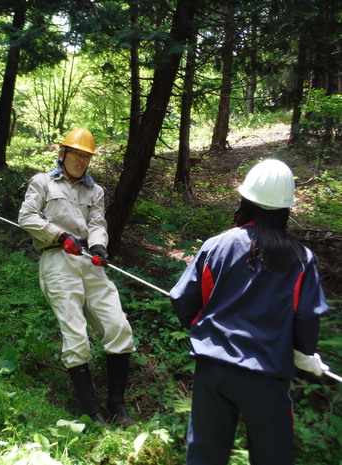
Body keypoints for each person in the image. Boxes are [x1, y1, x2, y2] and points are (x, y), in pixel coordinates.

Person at [169, 158, 329, 465]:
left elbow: (182, 299)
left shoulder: (216, 246)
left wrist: (206, 327)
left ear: (246, 200)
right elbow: (306, 318)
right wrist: (305, 354)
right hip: (267, 376)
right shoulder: (301, 258)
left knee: (204, 454)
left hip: (213, 369)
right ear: (286, 209)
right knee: (273, 456)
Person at [18, 128, 136, 427]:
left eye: (86, 156)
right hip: (57, 259)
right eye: (76, 154)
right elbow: (27, 216)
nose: (80, 161)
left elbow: (97, 222)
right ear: (63, 153)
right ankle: (92, 412)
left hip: (89, 261)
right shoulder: (42, 182)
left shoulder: (95, 191)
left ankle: (117, 405)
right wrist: (58, 235)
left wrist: (98, 245)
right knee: (76, 335)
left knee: (118, 327)